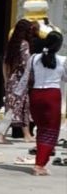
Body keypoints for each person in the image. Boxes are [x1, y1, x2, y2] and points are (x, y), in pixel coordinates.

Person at [16, 30, 67, 175]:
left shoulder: (33, 58)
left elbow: (26, 77)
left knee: (41, 129)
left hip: (36, 95)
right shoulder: (62, 60)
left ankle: (40, 161)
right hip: (52, 96)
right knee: (50, 131)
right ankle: (40, 165)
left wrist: (17, 95)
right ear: (59, 45)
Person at [0, 19, 37, 143]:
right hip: (21, 80)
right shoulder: (24, 44)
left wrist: (6, 80)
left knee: (15, 108)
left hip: (11, 80)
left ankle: (26, 134)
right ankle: (2, 136)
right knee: (20, 108)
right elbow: (26, 64)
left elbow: (5, 63)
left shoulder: (11, 45)